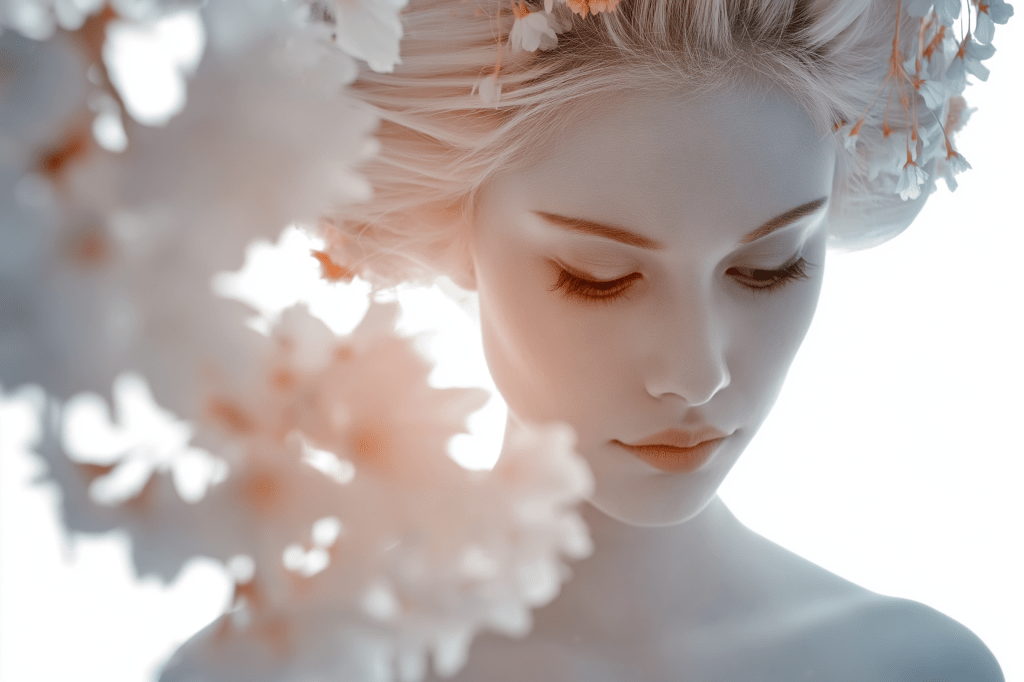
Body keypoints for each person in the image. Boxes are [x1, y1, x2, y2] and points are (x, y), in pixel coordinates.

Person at [306, 0, 1009, 678]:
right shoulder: (295, 668)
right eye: (599, 278)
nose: (696, 374)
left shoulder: (919, 669)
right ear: (456, 230)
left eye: (769, 269)